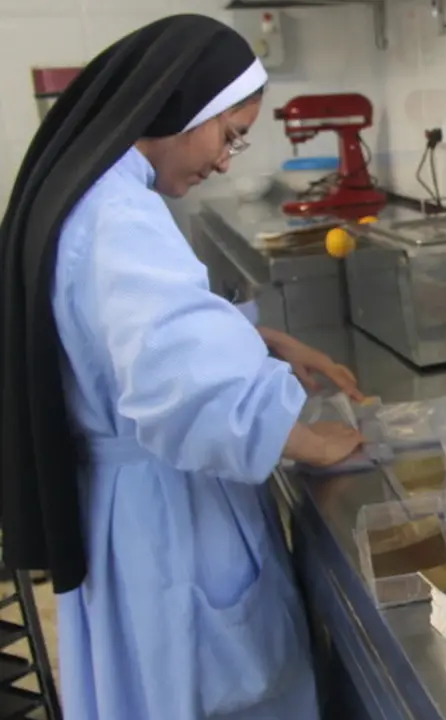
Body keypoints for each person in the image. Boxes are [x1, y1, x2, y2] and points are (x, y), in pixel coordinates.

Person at [0, 14, 367, 719]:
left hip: (126, 507)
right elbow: (188, 385)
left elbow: (127, 335)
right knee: (204, 687)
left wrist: (264, 340)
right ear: (183, 110)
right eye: (228, 135)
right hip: (164, 519)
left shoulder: (94, 191)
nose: (227, 159)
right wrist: (313, 440)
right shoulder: (120, 216)